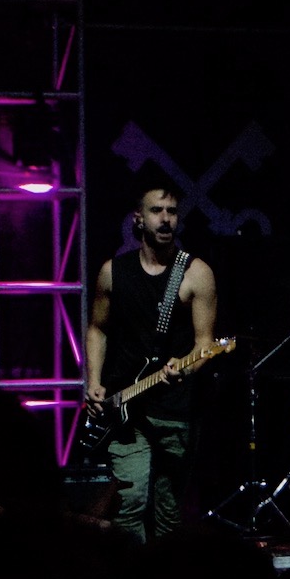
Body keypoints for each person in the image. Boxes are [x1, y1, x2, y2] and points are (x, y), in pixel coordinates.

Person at [85, 173, 219, 544]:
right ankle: (128, 571)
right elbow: (97, 329)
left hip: (174, 409)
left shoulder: (195, 274)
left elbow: (206, 344)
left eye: (172, 211)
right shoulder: (113, 272)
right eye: (157, 210)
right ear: (138, 218)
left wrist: (185, 368)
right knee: (130, 501)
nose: (165, 219)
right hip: (126, 407)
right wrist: (93, 381)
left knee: (168, 513)